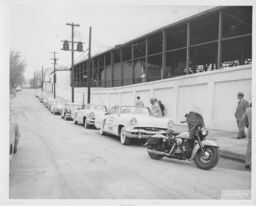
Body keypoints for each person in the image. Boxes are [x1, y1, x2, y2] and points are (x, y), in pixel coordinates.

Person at [241, 103, 252, 169]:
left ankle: (247, 163)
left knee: (249, 148)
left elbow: (242, 120)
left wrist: (247, 125)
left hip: (251, 132)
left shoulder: (248, 110)